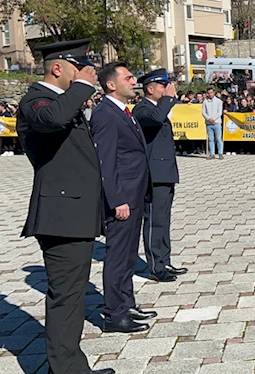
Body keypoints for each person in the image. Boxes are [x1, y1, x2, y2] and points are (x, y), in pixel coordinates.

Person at [16, 39, 115, 374]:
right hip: (61, 217)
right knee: (66, 300)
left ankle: (72, 366)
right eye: (78, 69)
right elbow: (54, 118)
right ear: (57, 68)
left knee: (72, 299)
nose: (85, 75)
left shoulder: (60, 101)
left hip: (74, 214)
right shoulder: (36, 101)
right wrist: (85, 85)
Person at [91, 62, 156, 334]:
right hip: (122, 198)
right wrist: (116, 199)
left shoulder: (123, 112)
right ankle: (114, 314)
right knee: (117, 255)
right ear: (111, 84)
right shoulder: (105, 114)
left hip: (134, 193)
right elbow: (105, 161)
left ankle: (126, 302)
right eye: (128, 78)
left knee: (129, 253)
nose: (134, 81)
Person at [133, 69, 188, 283]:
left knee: (164, 221)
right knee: (154, 221)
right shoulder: (143, 108)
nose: (167, 90)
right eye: (163, 86)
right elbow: (155, 120)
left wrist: (166, 100)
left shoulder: (157, 107)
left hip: (165, 173)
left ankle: (164, 260)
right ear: (150, 88)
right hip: (153, 175)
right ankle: (155, 266)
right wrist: (168, 99)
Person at [202, 87, 224, 159]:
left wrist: (213, 119)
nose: (210, 94)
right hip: (209, 123)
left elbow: (219, 112)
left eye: (211, 92)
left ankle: (220, 153)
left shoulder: (218, 101)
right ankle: (212, 153)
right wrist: (209, 119)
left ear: (214, 93)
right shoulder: (205, 102)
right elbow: (203, 112)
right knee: (211, 139)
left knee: (218, 138)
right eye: (209, 93)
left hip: (217, 122)